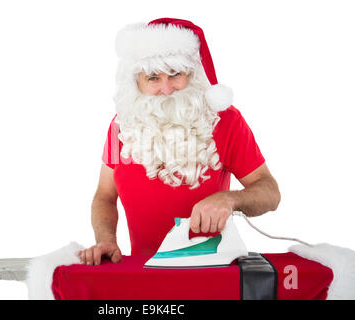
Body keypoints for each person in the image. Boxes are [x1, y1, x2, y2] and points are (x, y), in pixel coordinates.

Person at [78, 18, 280, 265]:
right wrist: (106, 240)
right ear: (136, 82)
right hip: (142, 276)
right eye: (153, 78)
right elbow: (104, 196)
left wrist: (230, 199)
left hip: (212, 274)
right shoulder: (121, 126)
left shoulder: (225, 121)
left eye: (175, 74)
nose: (166, 89)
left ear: (191, 73)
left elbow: (270, 192)